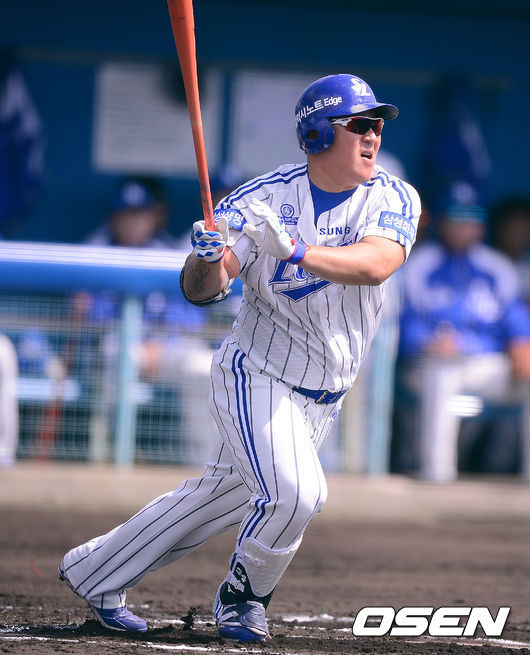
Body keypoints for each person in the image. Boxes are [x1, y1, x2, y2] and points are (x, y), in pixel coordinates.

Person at [58, 73, 421, 642]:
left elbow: (376, 264)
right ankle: (242, 598)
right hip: (257, 374)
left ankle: (95, 572)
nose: (373, 135)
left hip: (325, 392)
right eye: (359, 124)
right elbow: (202, 290)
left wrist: (294, 249)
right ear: (319, 134)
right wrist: (207, 257)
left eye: (377, 124)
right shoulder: (259, 200)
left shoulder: (393, 196)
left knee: (220, 497)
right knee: (297, 495)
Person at [395, 201, 530, 482]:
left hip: (485, 366)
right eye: (456, 218)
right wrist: (429, 342)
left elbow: (514, 316)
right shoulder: (421, 264)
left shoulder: (496, 267)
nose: (463, 227)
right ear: (443, 223)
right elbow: (405, 325)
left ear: (481, 227)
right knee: (443, 371)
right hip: (427, 366)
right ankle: (437, 473)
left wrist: (522, 340)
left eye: (471, 219)